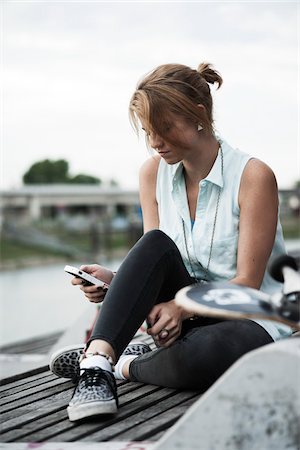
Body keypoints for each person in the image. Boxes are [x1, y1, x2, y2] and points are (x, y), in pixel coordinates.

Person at [50, 62, 292, 422]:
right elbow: (156, 257)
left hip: (251, 316)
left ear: (199, 115)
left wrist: (181, 309)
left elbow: (248, 286)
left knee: (206, 358)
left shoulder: (253, 176)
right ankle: (97, 365)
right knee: (155, 241)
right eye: (148, 131)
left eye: (163, 128)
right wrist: (117, 284)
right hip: (189, 309)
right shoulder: (153, 174)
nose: (154, 142)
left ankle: (126, 365)